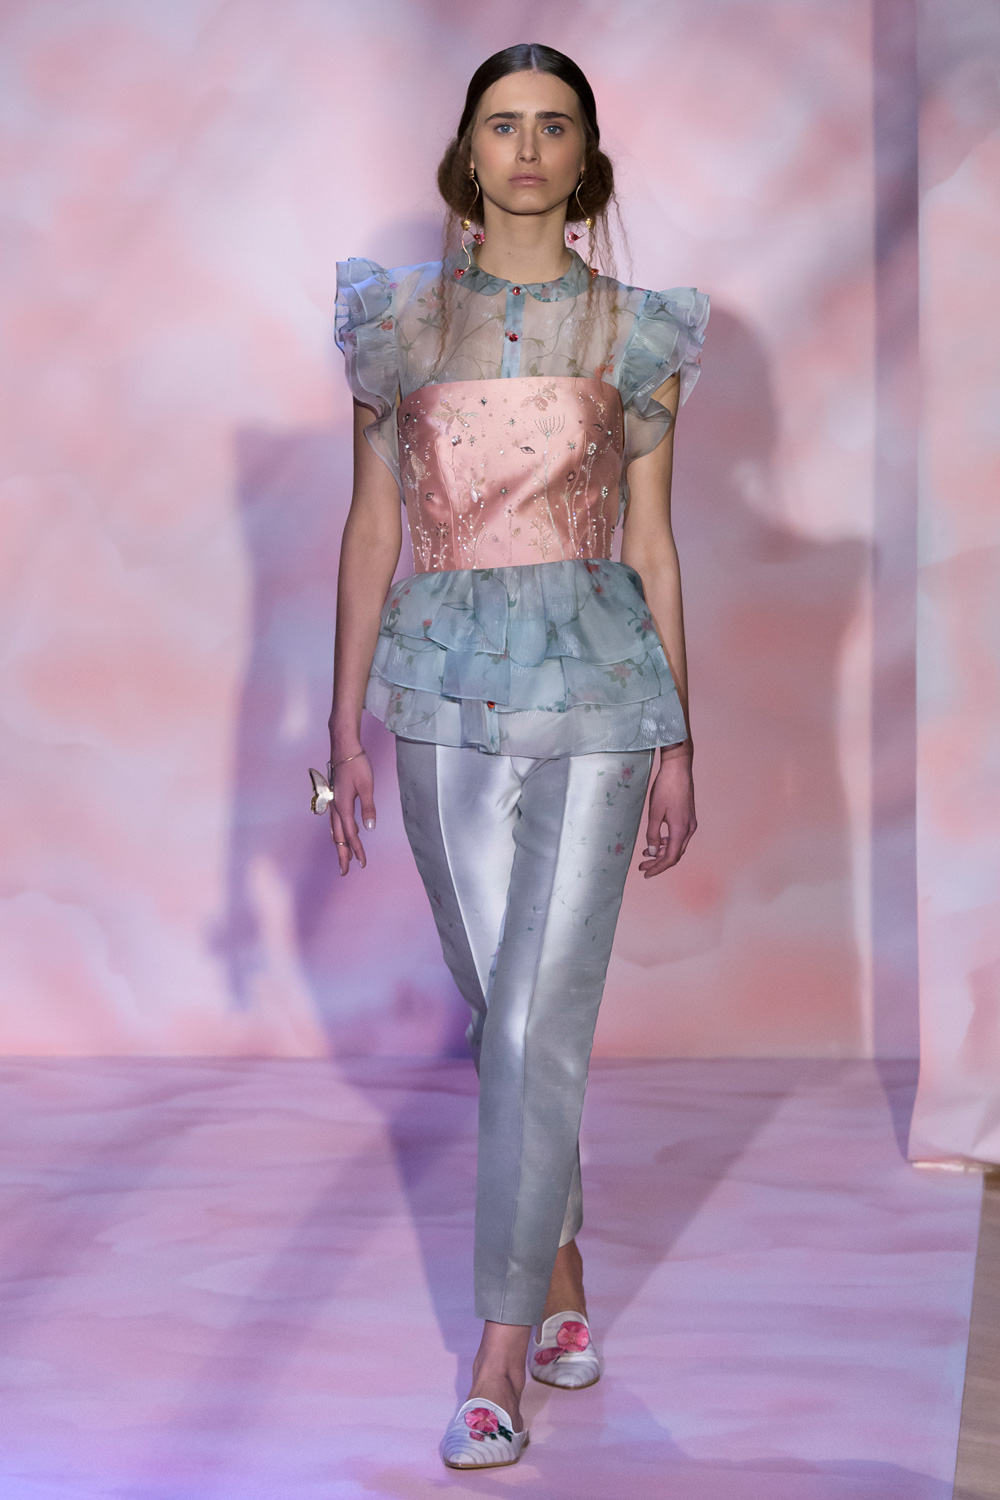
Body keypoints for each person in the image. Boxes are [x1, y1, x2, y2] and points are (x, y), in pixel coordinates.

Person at [312, 42, 708, 1470]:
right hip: (436, 696)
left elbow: (655, 544)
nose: (527, 148)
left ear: (586, 154)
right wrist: (340, 725)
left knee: (539, 1019)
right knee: (503, 1011)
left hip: (602, 693)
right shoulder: (401, 324)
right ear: (467, 151)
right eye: (503, 124)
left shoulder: (637, 332)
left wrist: (680, 738)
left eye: (553, 126)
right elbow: (372, 528)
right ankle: (563, 1260)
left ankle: (496, 1359)